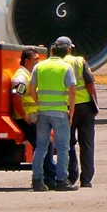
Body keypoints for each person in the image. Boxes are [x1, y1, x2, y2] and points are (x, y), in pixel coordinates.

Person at [29, 39, 79, 191]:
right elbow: (72, 90)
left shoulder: (39, 66)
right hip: (59, 112)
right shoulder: (66, 67)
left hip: (43, 112)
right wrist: (71, 111)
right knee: (63, 148)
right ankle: (61, 180)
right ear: (65, 53)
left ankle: (37, 180)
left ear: (51, 51)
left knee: (41, 147)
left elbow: (32, 89)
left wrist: (40, 102)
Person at [11, 48, 57, 188]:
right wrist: (25, 116)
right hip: (27, 119)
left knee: (46, 145)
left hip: (34, 117)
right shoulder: (22, 77)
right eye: (35, 59)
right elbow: (16, 97)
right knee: (45, 144)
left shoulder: (29, 75)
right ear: (27, 61)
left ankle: (47, 178)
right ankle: (47, 178)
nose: (38, 62)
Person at [58, 36, 99, 189]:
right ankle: (86, 179)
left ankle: (70, 175)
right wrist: (95, 104)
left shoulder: (54, 64)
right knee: (87, 144)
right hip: (85, 107)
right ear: (69, 48)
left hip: (65, 107)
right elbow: (90, 84)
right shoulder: (79, 61)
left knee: (67, 144)